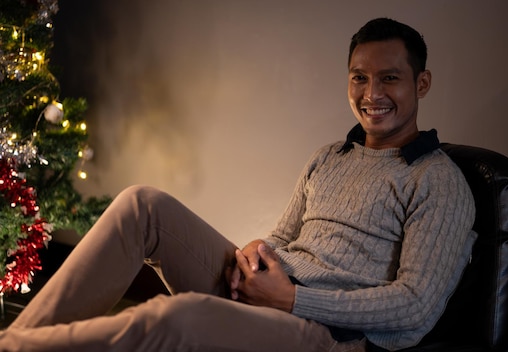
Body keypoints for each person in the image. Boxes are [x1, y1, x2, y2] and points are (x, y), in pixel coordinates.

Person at [0, 17, 476, 352]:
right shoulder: (330, 157)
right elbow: (283, 239)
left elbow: (415, 309)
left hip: (327, 333)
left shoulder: (438, 181)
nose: (372, 95)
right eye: (359, 78)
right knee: (143, 204)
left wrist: (293, 299)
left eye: (389, 78)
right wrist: (256, 252)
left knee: (174, 318)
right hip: (270, 293)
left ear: (422, 82)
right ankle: (24, 338)